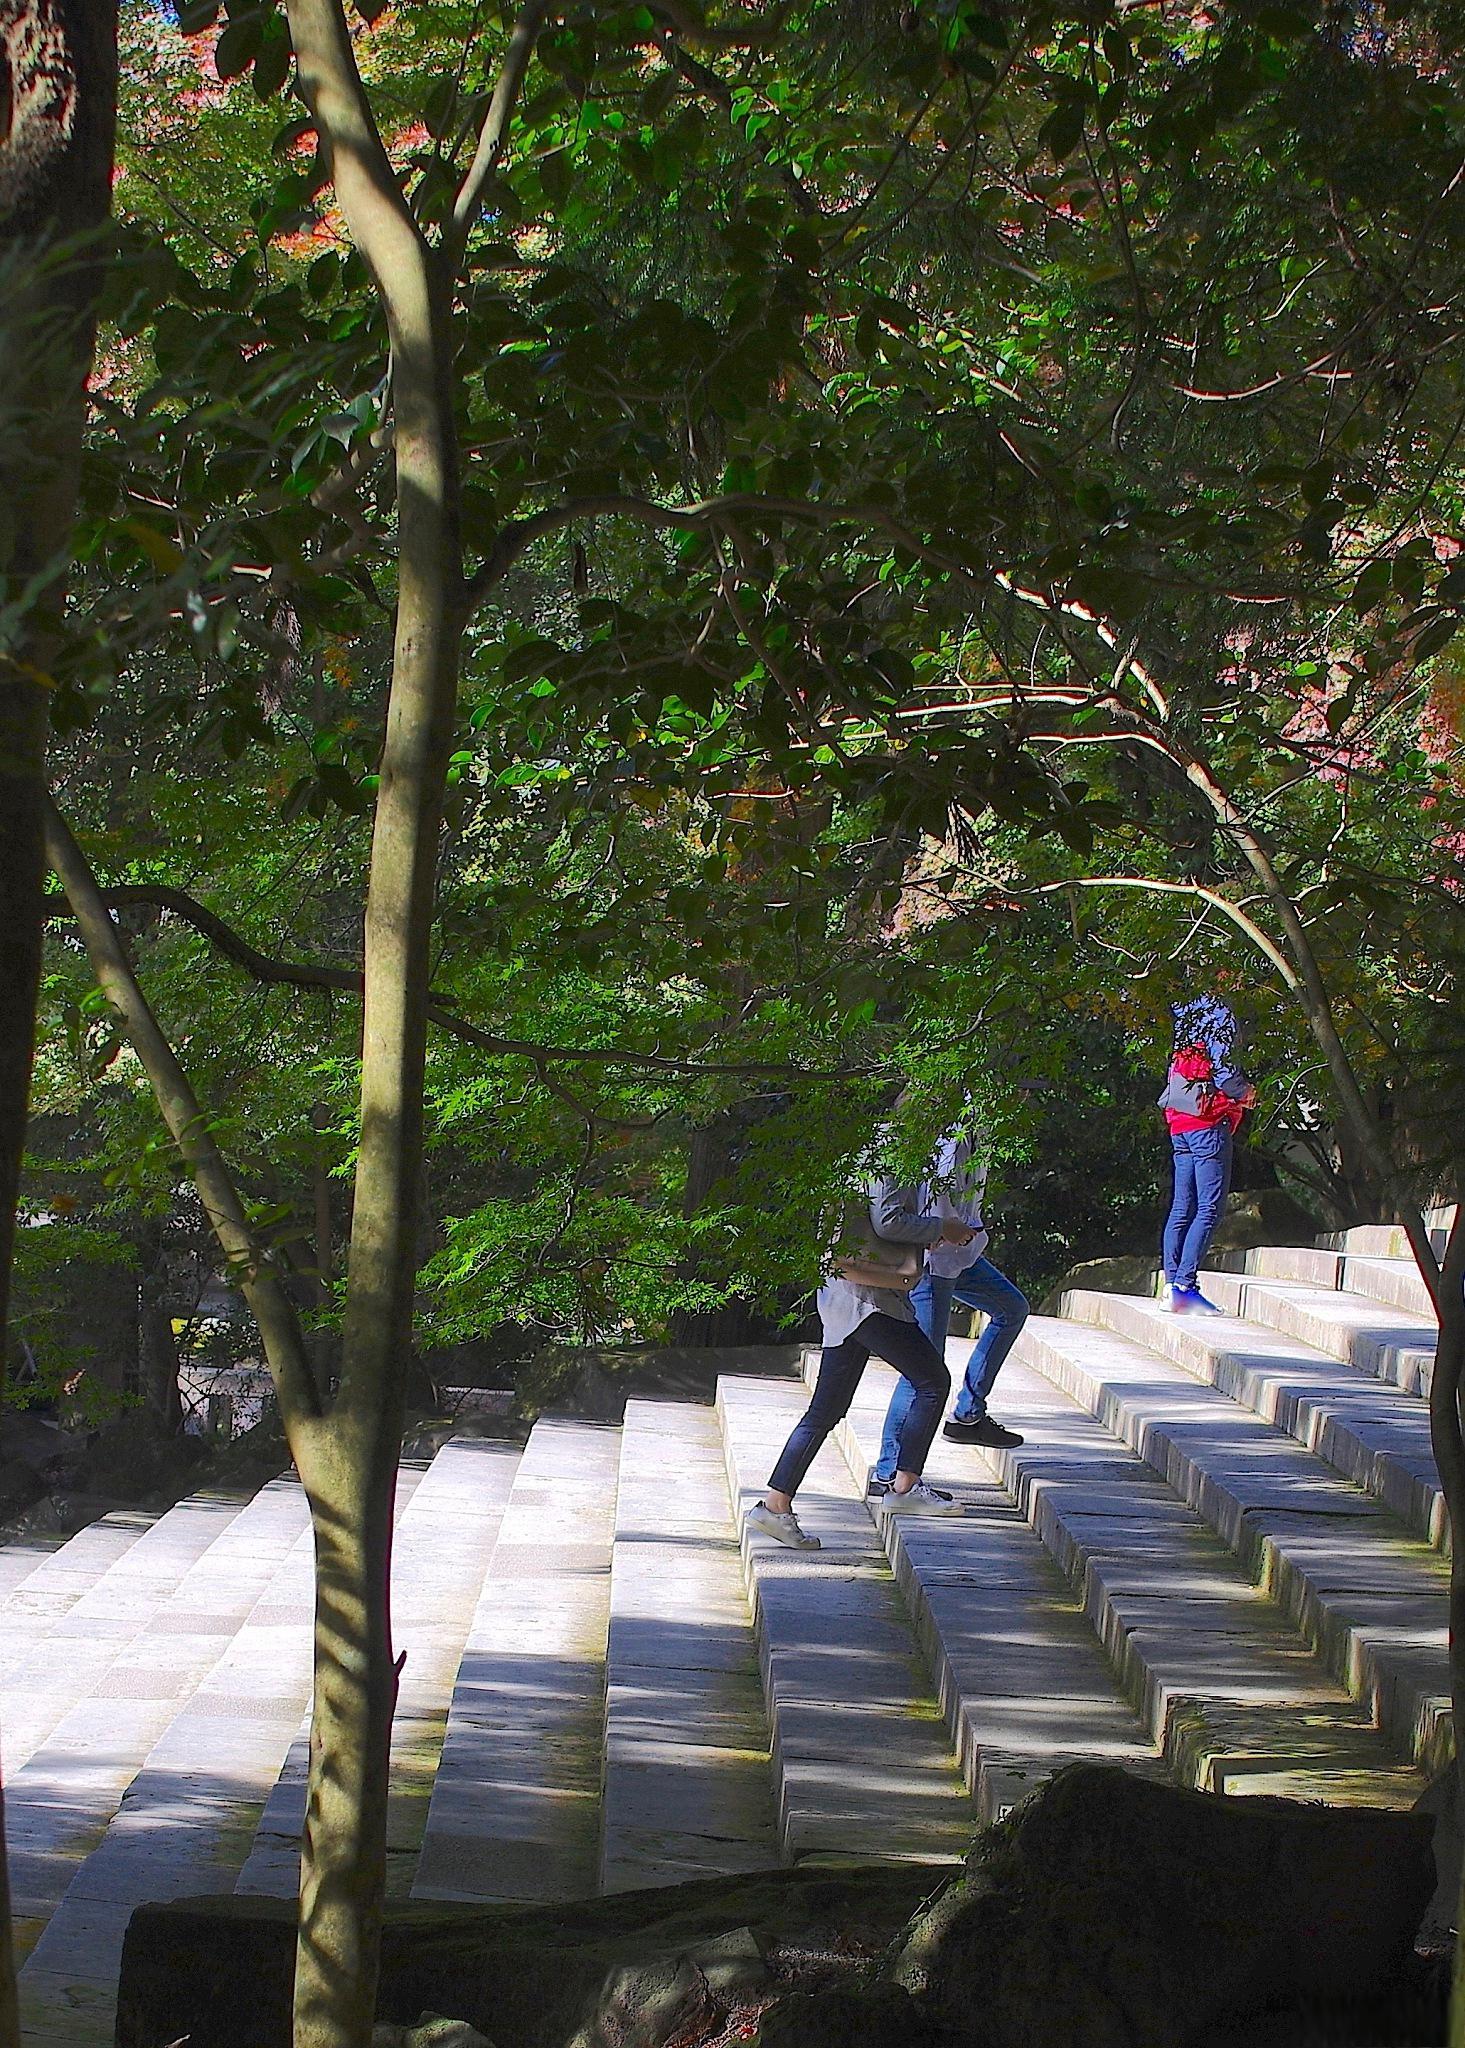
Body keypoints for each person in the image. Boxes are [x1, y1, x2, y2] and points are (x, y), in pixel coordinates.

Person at [746, 1173, 973, 1550]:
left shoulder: (865, 1154)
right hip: (867, 1300)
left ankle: (775, 1504)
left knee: (825, 1410)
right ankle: (905, 1486)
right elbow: (888, 1220)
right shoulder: (896, 1156)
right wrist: (942, 1227)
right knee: (933, 1381)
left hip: (843, 1298)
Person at [867, 1123, 1027, 1497]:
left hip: (963, 1257)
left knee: (1012, 1309)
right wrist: (939, 1232)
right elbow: (930, 1199)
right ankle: (888, 1473)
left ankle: (968, 1415)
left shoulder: (982, 1133)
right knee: (922, 1368)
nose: (1020, 1098)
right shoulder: (950, 1135)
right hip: (934, 1261)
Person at [1159, 995, 1255, 1315]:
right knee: (1209, 1208)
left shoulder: (1185, 1014)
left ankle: (1172, 1284)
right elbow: (1224, 1074)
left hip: (1179, 1124)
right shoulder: (1220, 1015)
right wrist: (1246, 1093)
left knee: (1182, 1206)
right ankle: (1185, 1286)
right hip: (1207, 1125)